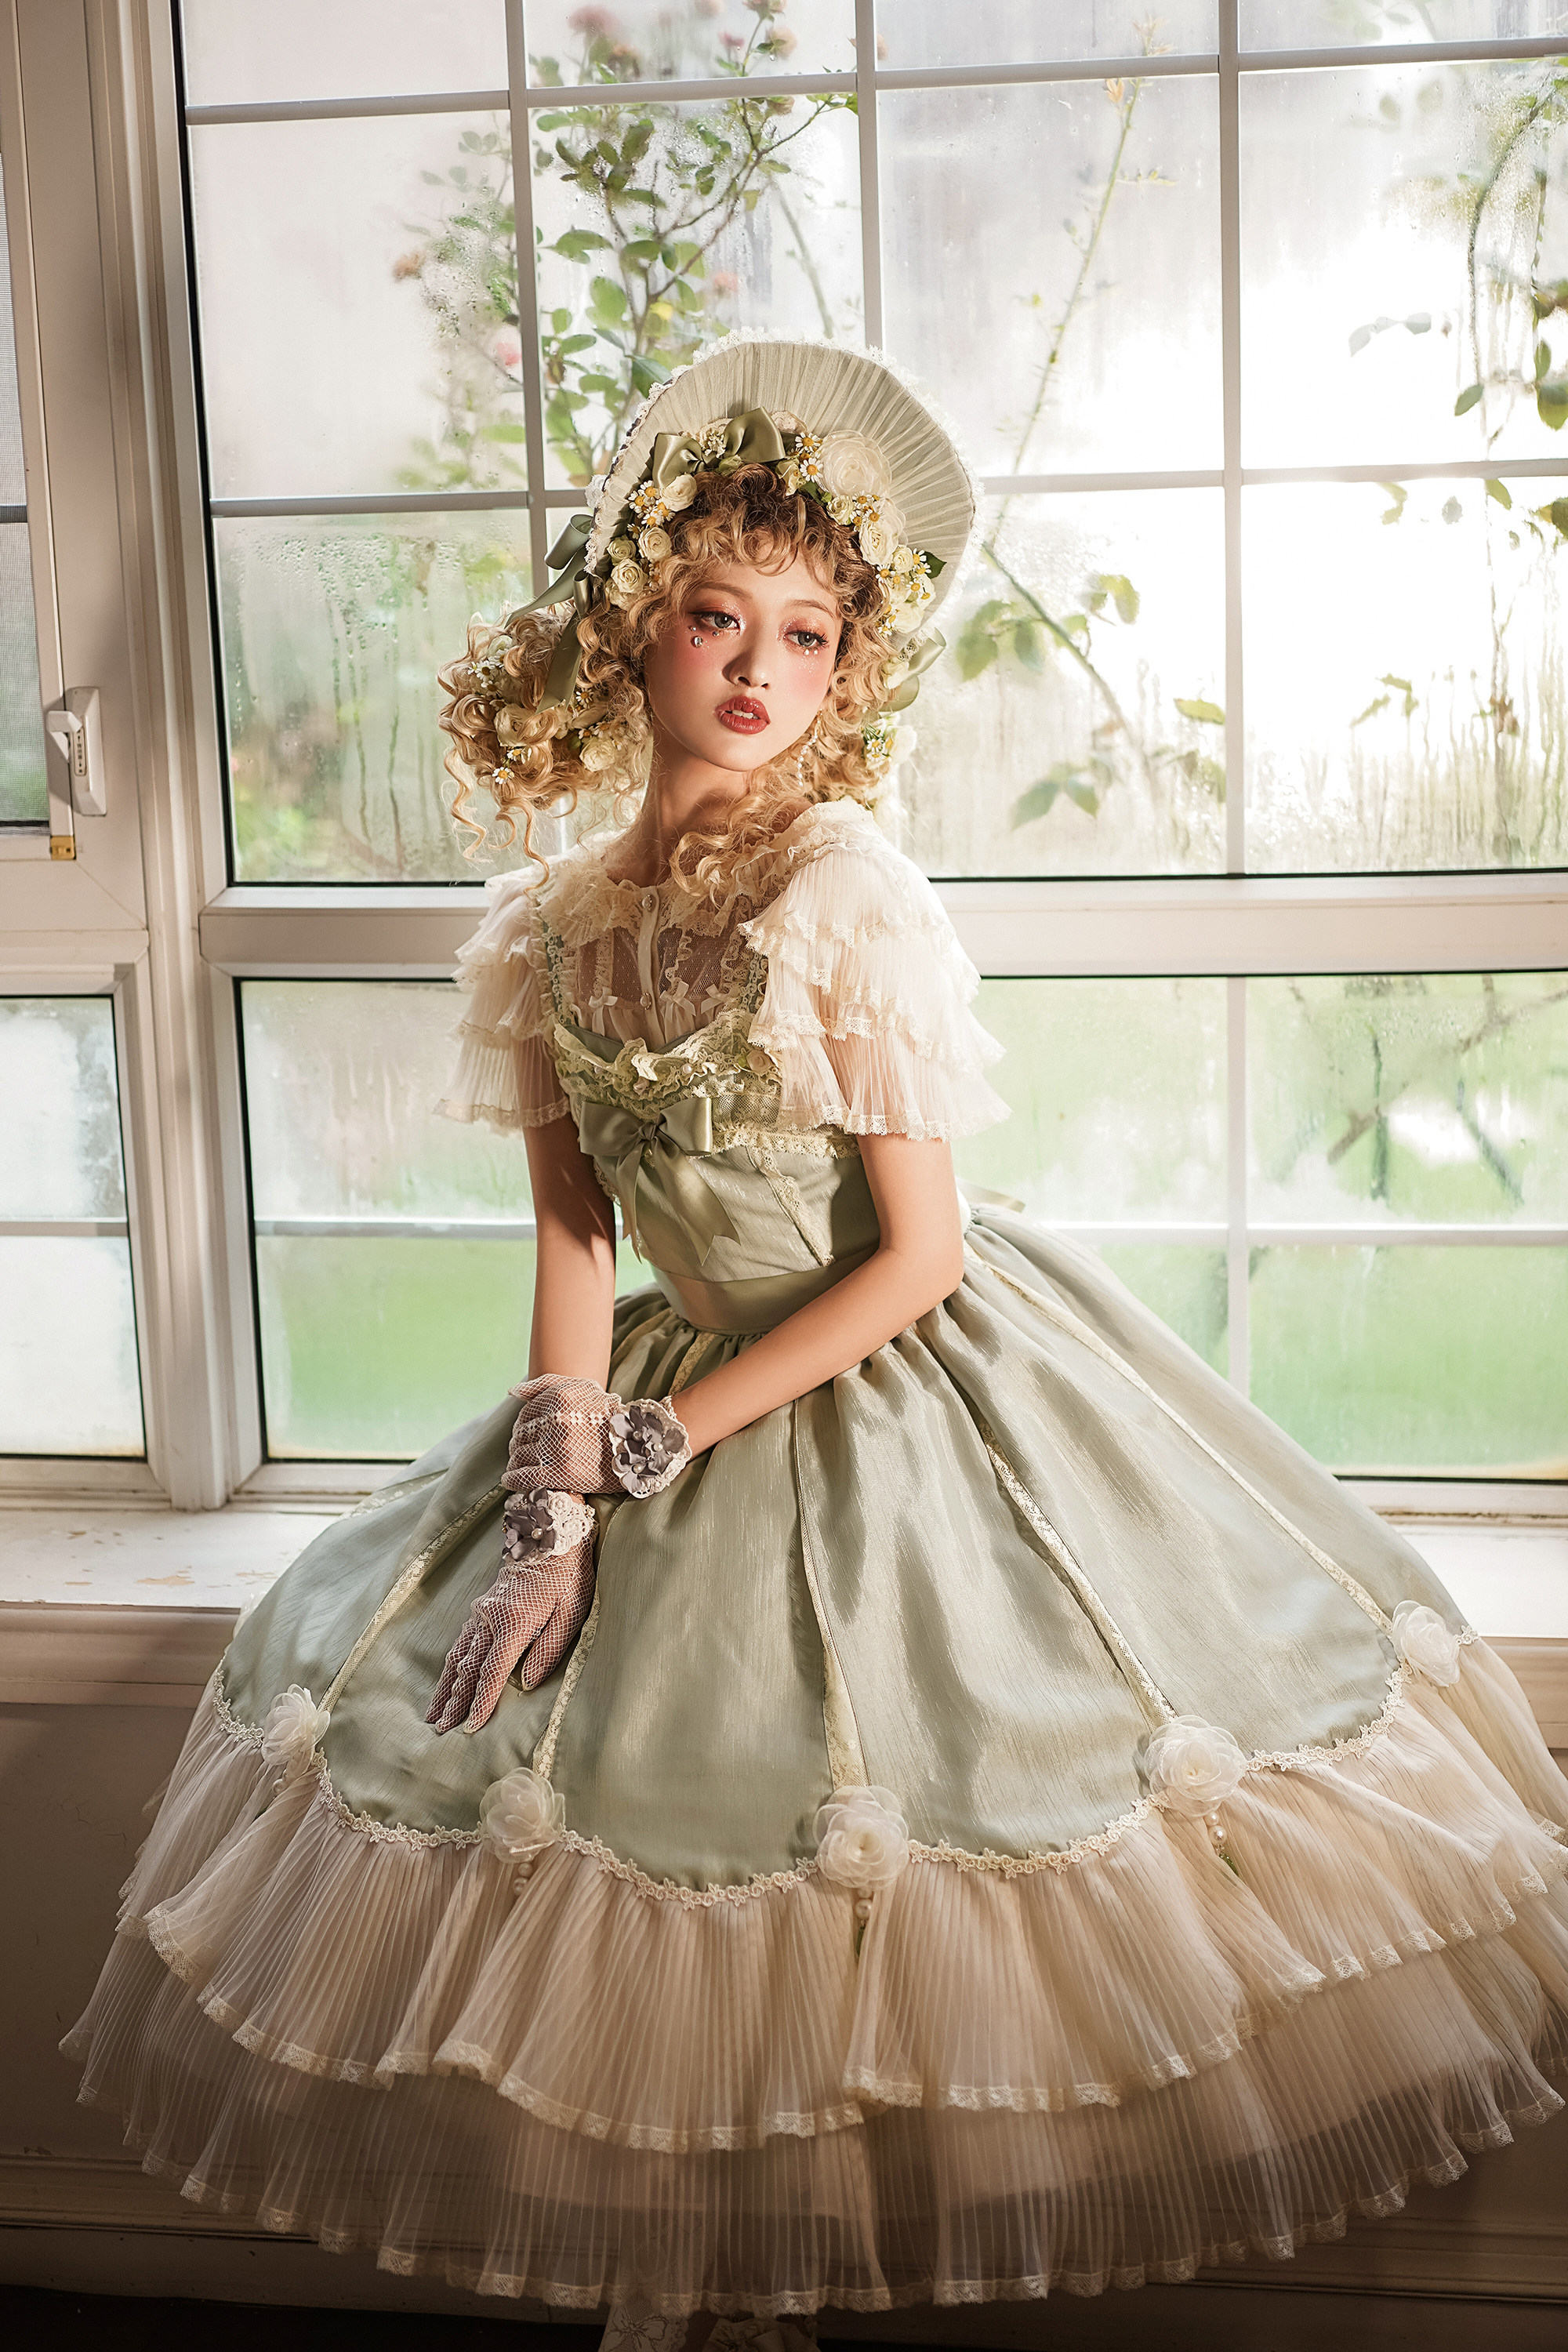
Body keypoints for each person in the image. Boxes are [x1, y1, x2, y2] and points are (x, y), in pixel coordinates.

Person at [65, 336, 1567, 2331]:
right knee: (559, 1786)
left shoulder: (841, 888)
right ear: (636, 627)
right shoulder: (547, 928)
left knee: (889, 1826)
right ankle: (703, 2303)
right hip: (663, 1384)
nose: (759, 668)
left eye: (806, 632)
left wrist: (659, 1448)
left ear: (846, 669)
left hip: (900, 1390)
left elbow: (918, 1259)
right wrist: (551, 1516)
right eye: (718, 616)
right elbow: (575, 1240)